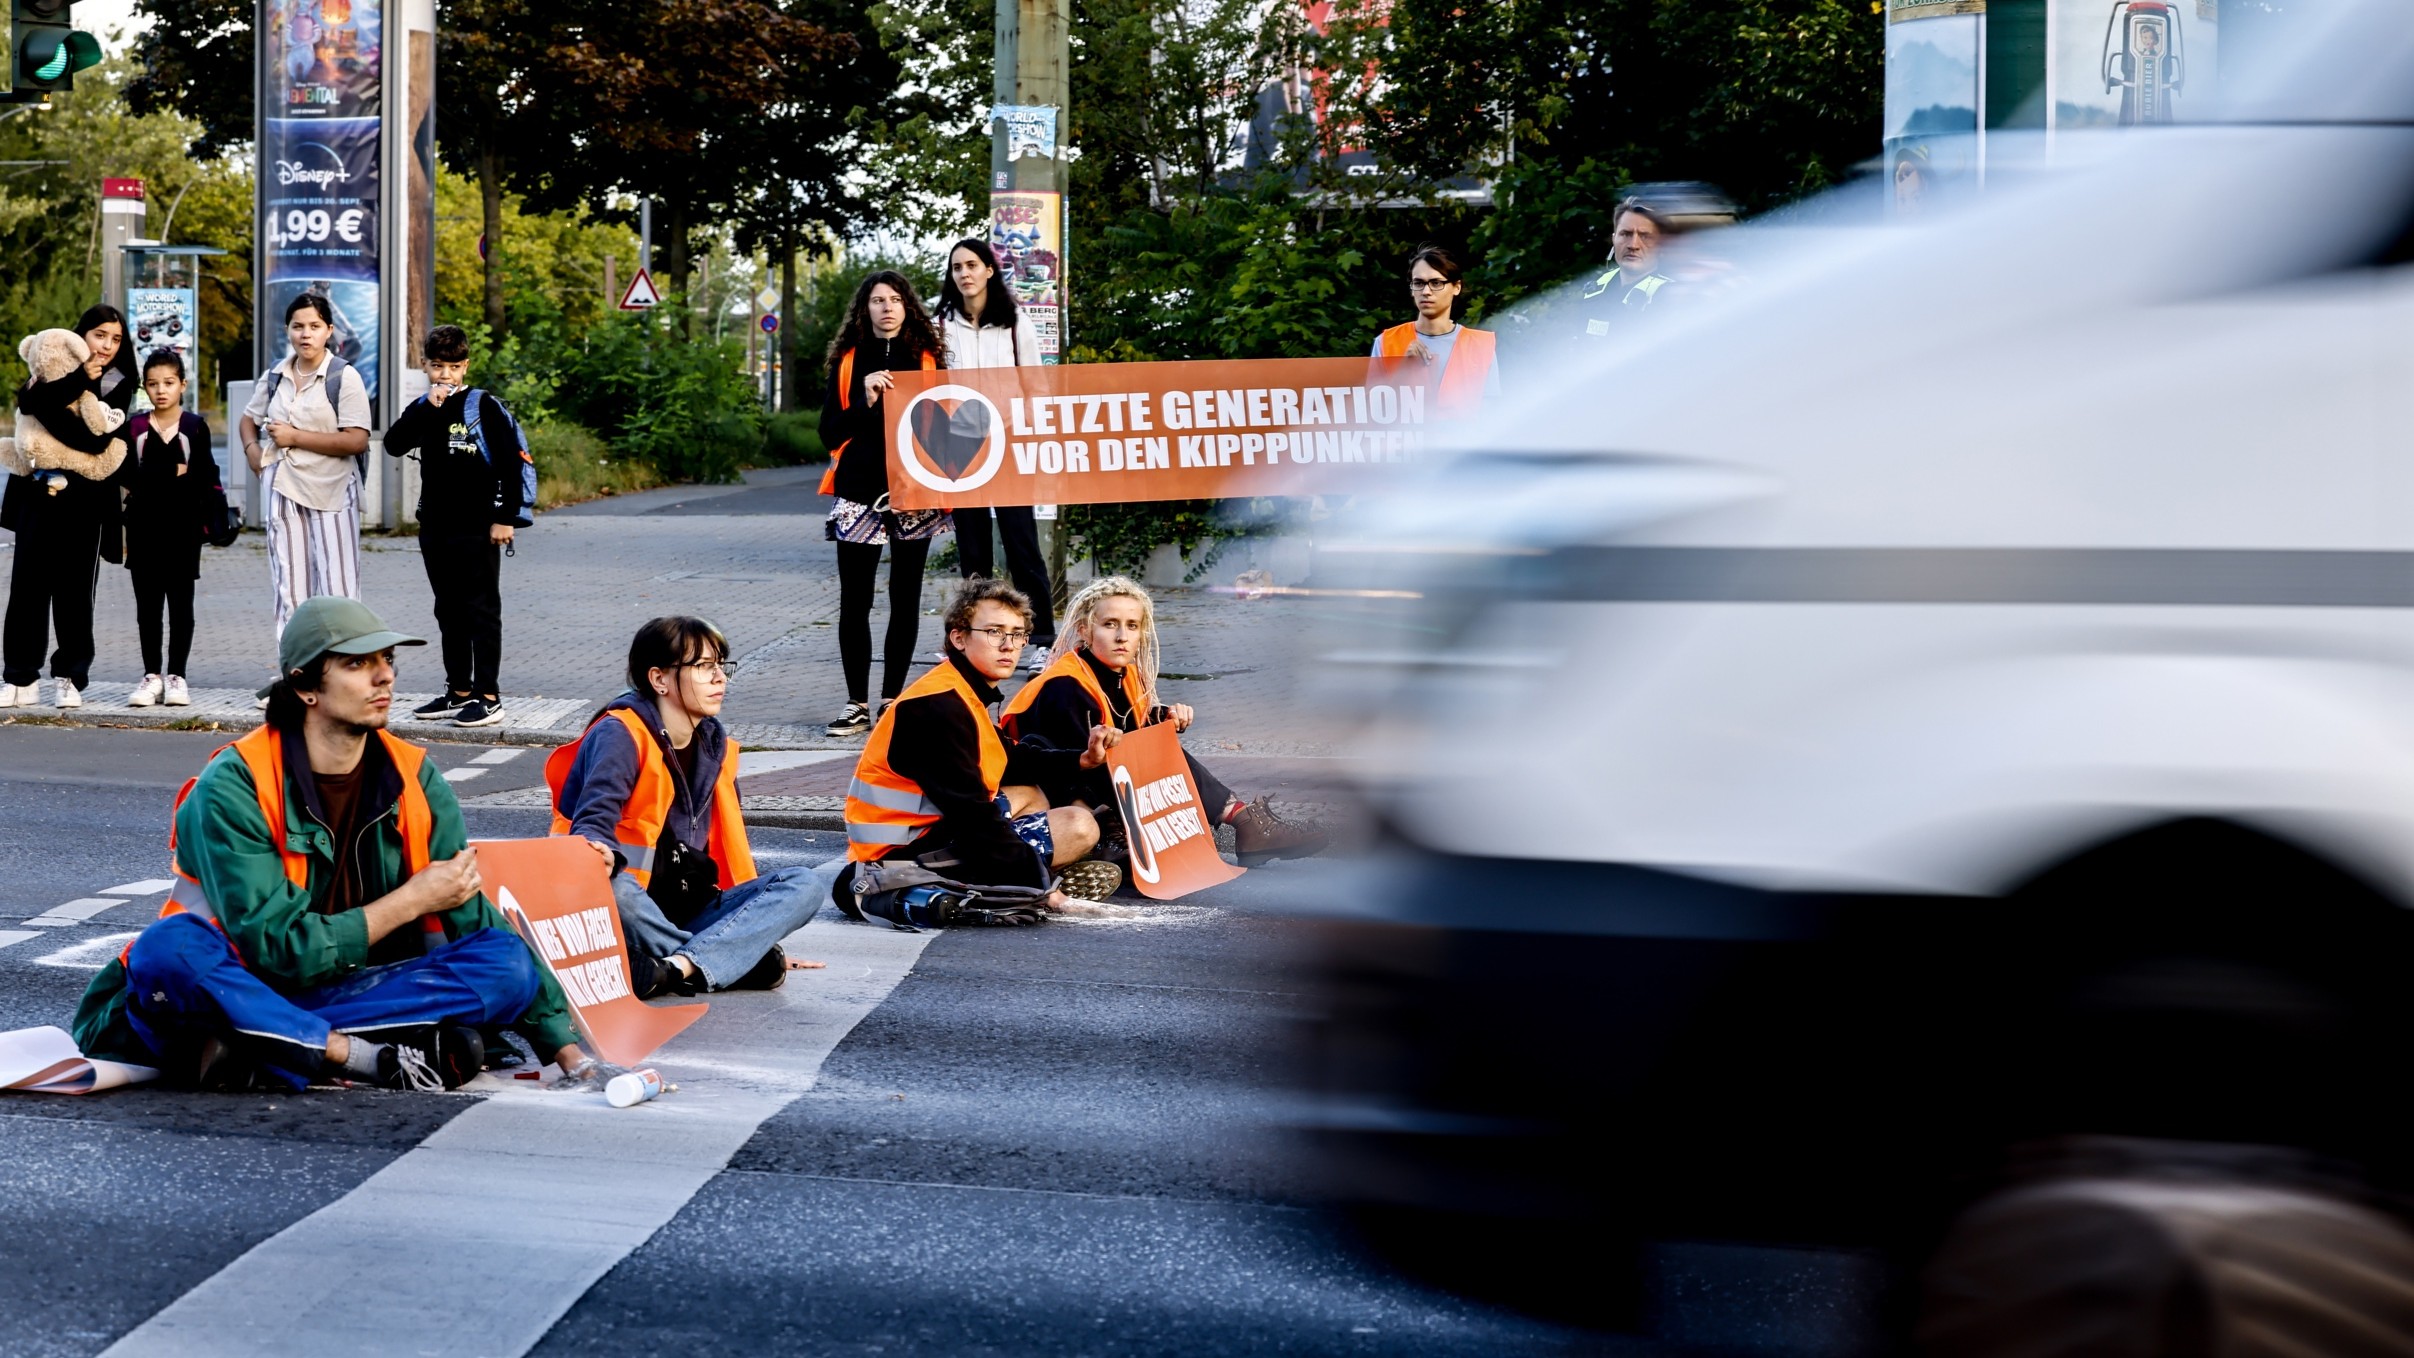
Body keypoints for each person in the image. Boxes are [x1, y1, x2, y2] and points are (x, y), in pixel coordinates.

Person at [69, 596, 604, 1093]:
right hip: (235, 982)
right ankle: (359, 1056)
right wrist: (411, 901)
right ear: (305, 687)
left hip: (336, 992)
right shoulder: (234, 785)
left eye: (387, 660)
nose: (384, 675)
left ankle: (258, 1046)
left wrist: (567, 1053)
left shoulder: (415, 777)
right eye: (356, 664)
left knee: (505, 961)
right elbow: (280, 952)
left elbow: (471, 916)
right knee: (168, 949)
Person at [547, 617, 831, 996]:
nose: (719, 678)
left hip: (692, 907)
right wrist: (743, 947)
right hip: (635, 906)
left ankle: (676, 968)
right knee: (613, 889)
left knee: (805, 884)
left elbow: (728, 858)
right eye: (703, 666)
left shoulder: (714, 745)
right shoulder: (620, 733)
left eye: (721, 665)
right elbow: (593, 821)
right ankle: (718, 962)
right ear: (659, 679)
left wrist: (750, 932)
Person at [1003, 576, 1328, 868]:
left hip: (1094, 788)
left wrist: (1164, 719)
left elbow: (1129, 730)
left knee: (1159, 743)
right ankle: (1243, 822)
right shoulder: (1064, 685)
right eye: (1110, 624)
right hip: (1051, 796)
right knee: (1150, 751)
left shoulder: (1125, 674)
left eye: (1132, 626)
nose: (1122, 636)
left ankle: (1244, 821)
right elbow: (1083, 764)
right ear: (1085, 630)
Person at [841, 578, 1123, 906]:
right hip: (895, 857)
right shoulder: (937, 707)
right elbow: (972, 816)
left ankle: (1017, 873)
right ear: (959, 638)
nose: (1008, 645)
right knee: (1079, 825)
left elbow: (1010, 759)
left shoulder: (959, 689)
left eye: (1017, 634)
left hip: (925, 833)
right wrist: (1040, 886)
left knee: (1031, 793)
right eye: (994, 632)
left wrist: (1081, 760)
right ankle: (1001, 884)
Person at [819, 270, 950, 737]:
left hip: (915, 494)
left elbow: (949, 428)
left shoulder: (929, 360)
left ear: (907, 306)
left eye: (895, 299)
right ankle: (856, 703)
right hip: (859, 493)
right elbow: (829, 433)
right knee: (854, 601)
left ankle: (892, 699)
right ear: (865, 309)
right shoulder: (849, 362)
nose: (887, 307)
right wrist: (866, 400)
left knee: (905, 598)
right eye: (878, 300)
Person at [385, 324, 524, 728]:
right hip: (435, 526)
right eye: (437, 366)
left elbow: (511, 464)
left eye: (453, 367)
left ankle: (489, 696)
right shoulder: (424, 407)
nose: (445, 375)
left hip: (478, 527)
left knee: (481, 609)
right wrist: (425, 408)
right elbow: (394, 444)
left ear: (465, 366)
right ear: (425, 366)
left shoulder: (483, 407)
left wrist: (505, 518)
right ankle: (459, 690)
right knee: (448, 609)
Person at [0, 303, 134, 711]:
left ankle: (69, 677)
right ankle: (19, 678)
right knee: (26, 589)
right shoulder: (51, 366)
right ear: (81, 336)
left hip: (86, 501)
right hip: (38, 494)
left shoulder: (119, 382)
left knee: (74, 592)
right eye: (99, 335)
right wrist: (71, 384)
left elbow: (94, 440)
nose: (107, 346)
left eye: (115, 339)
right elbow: (27, 402)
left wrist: (45, 406)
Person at [934, 238, 1056, 669]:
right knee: (973, 551)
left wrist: (1028, 434)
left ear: (989, 270)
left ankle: (1042, 640)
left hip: (1008, 441)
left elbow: (1036, 385)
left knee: (1022, 544)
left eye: (972, 265)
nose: (964, 273)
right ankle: (972, 642)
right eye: (957, 267)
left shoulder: (1014, 322)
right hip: (961, 444)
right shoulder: (940, 324)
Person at [240, 293, 373, 655]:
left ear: (329, 330)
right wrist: (254, 454)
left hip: (331, 492)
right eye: (298, 326)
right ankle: (297, 670)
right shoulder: (276, 375)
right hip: (283, 489)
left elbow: (356, 440)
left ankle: (346, 668)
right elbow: (248, 419)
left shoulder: (343, 376)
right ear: (288, 330)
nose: (305, 334)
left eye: (314, 326)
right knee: (289, 589)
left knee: (338, 589)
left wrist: (295, 437)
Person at [119, 349, 217, 709]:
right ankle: (151, 676)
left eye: (169, 383)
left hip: (184, 529)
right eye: (153, 384)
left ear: (182, 385)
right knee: (147, 607)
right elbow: (127, 476)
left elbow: (203, 477)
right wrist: (172, 471)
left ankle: (177, 676)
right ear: (145, 387)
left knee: (180, 606)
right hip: (142, 528)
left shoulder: (194, 426)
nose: (161, 390)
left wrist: (156, 478)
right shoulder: (135, 428)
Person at [1371, 245, 1500, 420]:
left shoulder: (1481, 345)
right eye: (1419, 283)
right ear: (1412, 288)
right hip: (1407, 438)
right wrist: (1402, 370)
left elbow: (1491, 416)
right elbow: (1371, 413)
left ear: (1456, 287)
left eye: (1436, 283)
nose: (1426, 291)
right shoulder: (1386, 342)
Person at [1573, 200, 1676, 339]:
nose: (1633, 245)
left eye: (1645, 236)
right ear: (1614, 239)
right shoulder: (1597, 287)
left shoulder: (1670, 297)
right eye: (1626, 234)